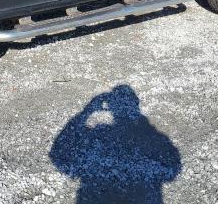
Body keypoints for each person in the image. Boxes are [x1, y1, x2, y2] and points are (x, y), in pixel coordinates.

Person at [50, 85, 181, 204]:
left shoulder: (96, 135)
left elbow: (58, 155)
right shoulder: (154, 138)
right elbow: (173, 169)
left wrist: (86, 112)